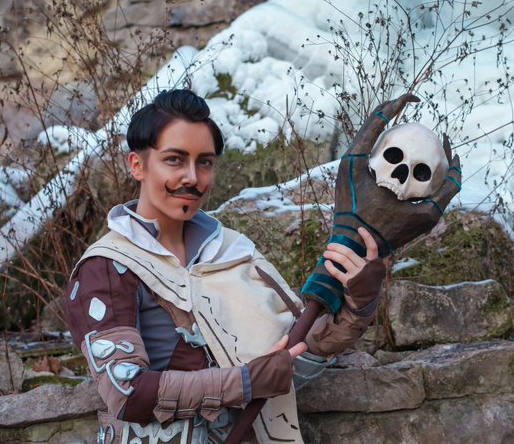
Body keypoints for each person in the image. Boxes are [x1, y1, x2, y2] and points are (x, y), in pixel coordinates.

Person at [64, 89, 385, 443]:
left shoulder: (234, 253)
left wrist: (357, 306)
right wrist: (245, 382)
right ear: (137, 165)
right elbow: (126, 392)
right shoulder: (108, 267)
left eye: (204, 162)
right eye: (174, 160)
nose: (192, 177)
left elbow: (287, 367)